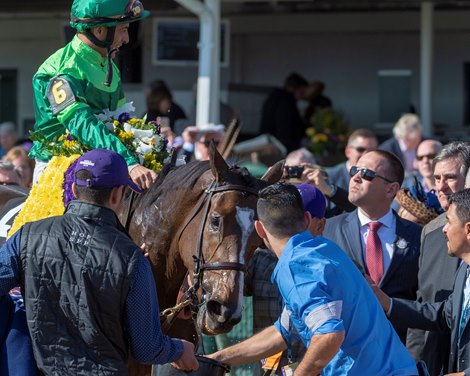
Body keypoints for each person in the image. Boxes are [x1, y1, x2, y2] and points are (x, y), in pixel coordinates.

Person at [0, 149, 198, 374]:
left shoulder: (27, 235)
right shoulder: (132, 260)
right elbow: (146, 348)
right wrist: (179, 349)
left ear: (74, 189)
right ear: (117, 195)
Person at [209, 182, 417, 375]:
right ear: (308, 220)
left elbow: (329, 335)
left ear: (260, 229)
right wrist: (217, 358)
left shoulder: (295, 267)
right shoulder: (326, 250)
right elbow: (282, 332)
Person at [30, 0, 156, 190]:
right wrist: (129, 162)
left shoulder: (109, 64)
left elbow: (123, 119)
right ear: (100, 31)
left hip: (106, 160)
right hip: (56, 166)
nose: (127, 39)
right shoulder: (62, 71)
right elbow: (82, 124)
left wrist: (148, 143)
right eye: (123, 29)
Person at [323, 149, 421, 343]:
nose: (356, 178)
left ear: (391, 189)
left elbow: (424, 303)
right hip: (345, 354)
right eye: (354, 171)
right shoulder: (328, 230)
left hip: (400, 355)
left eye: (367, 173)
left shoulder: (418, 236)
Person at [371, 188, 470, 376]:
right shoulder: (464, 271)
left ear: (468, 230)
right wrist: (387, 303)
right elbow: (444, 315)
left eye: (449, 221)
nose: (444, 228)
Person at [244, 184, 326, 376]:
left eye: (296, 221)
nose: (287, 229)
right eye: (281, 220)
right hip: (267, 369)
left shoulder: (332, 265)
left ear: (320, 224)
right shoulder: (260, 261)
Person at [406, 141, 470, 375]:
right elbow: (424, 300)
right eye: (437, 178)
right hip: (436, 362)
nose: (441, 187)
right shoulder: (432, 232)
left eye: (450, 177)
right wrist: (413, 360)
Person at [259, 72, 309, 153]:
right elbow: (285, 127)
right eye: (302, 91)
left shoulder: (273, 97)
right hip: (279, 146)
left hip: (266, 143)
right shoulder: (287, 102)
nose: (302, 96)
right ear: (295, 89)